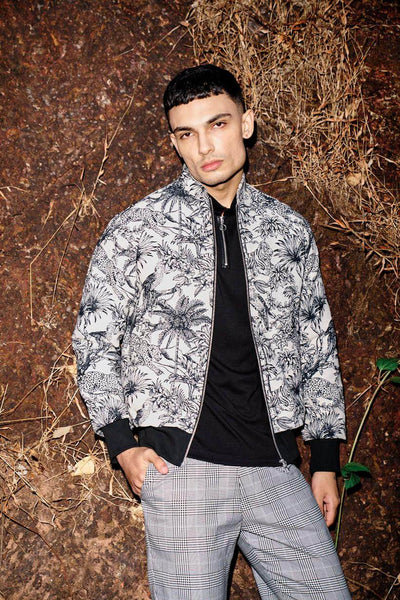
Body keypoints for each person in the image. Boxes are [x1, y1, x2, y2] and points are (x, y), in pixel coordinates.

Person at [72, 64, 351, 599]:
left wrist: (324, 462)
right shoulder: (138, 227)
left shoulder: (288, 230)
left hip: (277, 467)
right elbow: (95, 339)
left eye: (217, 124)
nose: (204, 146)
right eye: (186, 133)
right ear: (174, 142)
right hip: (182, 470)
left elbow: (317, 345)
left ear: (246, 123)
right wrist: (121, 444)